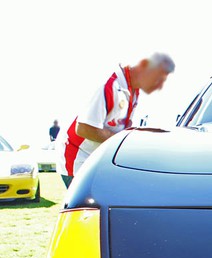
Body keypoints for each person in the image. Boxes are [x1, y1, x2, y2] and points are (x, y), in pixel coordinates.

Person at [57, 52, 175, 188]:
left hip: (97, 161)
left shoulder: (133, 90)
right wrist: (122, 141)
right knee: (92, 208)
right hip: (78, 160)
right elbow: (84, 128)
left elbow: (120, 128)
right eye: (158, 79)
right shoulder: (109, 84)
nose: (159, 86)